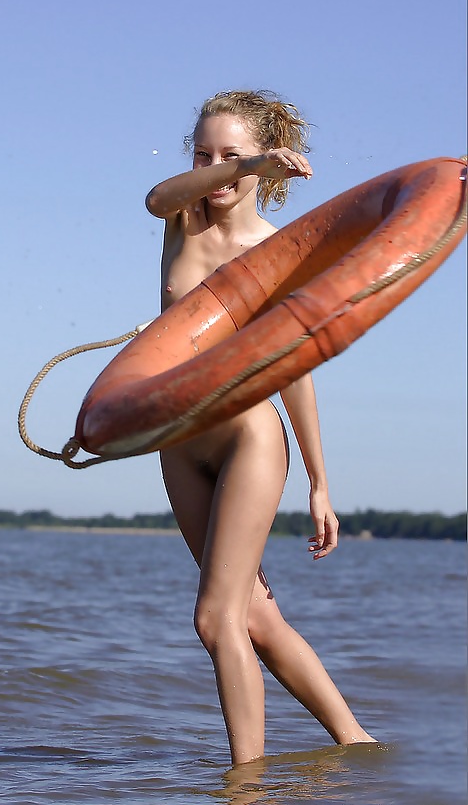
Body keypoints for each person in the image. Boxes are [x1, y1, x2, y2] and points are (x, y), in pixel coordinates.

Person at [145, 89, 375, 765]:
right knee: (255, 617)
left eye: (232, 156)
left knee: (216, 619)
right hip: (177, 441)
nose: (214, 167)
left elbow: (296, 368)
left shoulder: (277, 250)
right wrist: (230, 168)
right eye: (202, 152)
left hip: (247, 432)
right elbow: (155, 196)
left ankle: (245, 784)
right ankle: (357, 745)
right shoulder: (180, 218)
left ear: (265, 167)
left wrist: (320, 482)